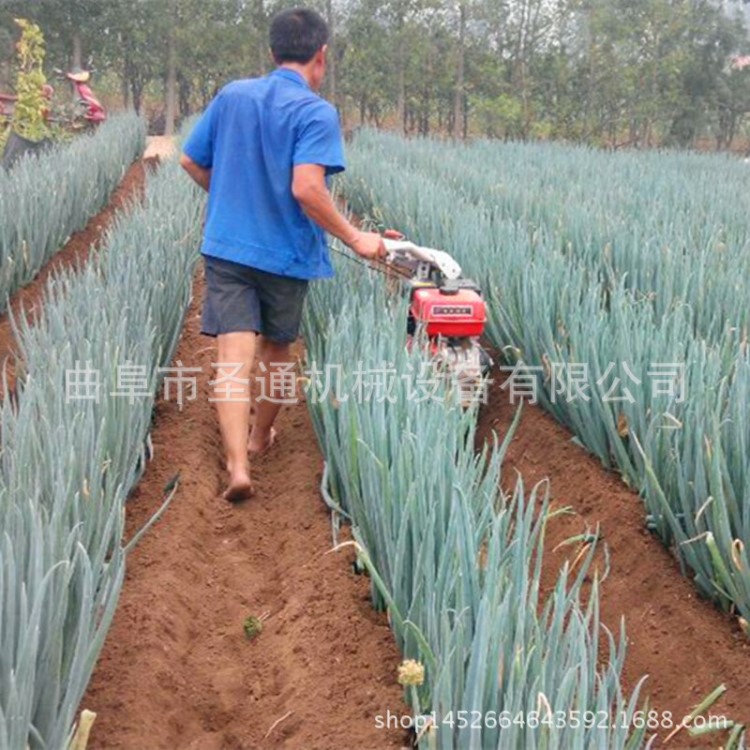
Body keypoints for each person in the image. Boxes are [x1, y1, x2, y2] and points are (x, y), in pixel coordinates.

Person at [180, 7, 390, 502]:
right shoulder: (316, 111)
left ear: (272, 54)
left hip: (228, 247)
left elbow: (190, 159)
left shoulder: (233, 95)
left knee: (232, 359)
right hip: (285, 253)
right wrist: (356, 237)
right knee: (277, 352)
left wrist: (228, 197)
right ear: (321, 57)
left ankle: (236, 466)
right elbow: (307, 188)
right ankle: (258, 439)